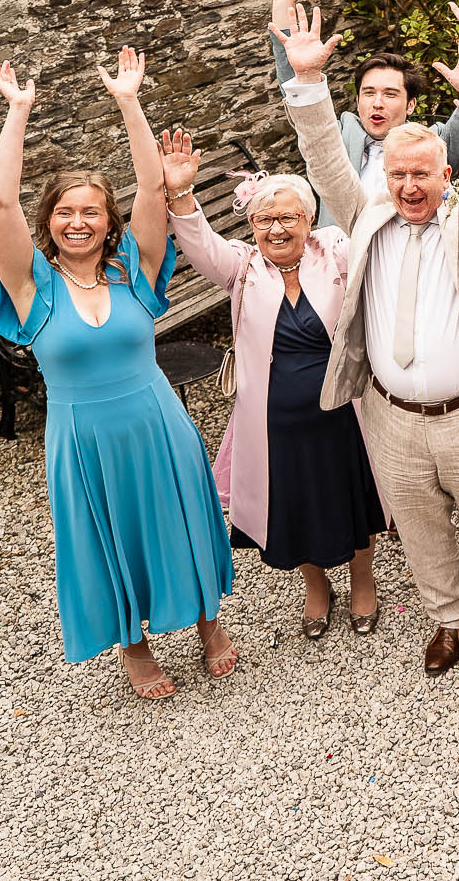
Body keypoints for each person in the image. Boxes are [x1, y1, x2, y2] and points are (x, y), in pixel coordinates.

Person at [275, 7, 459, 676]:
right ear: (384, 178)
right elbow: (323, 157)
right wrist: (307, 80)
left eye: (423, 174)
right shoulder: (367, 216)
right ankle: (451, 615)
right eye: (399, 175)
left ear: (447, 173)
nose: (410, 186)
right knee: (418, 528)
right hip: (390, 415)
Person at [0, 51, 236, 698]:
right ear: (48, 222)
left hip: (157, 422)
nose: (78, 221)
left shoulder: (134, 268)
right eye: (65, 212)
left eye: (91, 211)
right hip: (83, 439)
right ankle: (135, 645)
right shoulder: (30, 288)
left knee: (179, 517)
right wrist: (18, 112)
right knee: (108, 536)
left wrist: (131, 102)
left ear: (108, 220)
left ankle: (209, 622)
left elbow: (153, 189)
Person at [163, 134, 384, 639]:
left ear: (309, 221)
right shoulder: (242, 267)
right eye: (265, 219)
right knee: (295, 502)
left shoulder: (336, 256)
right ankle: (316, 585)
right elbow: (199, 243)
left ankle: (363, 578)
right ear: (252, 226)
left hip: (343, 413)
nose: (276, 227)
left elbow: (369, 234)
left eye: (288, 217)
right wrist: (181, 196)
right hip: (273, 423)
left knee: (353, 496)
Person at [269, 0, 459, 223]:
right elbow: (299, 91)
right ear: (357, 99)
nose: (377, 102)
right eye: (368, 93)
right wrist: (282, 1)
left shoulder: (435, 142)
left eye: (390, 94)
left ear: (411, 105)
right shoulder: (337, 137)